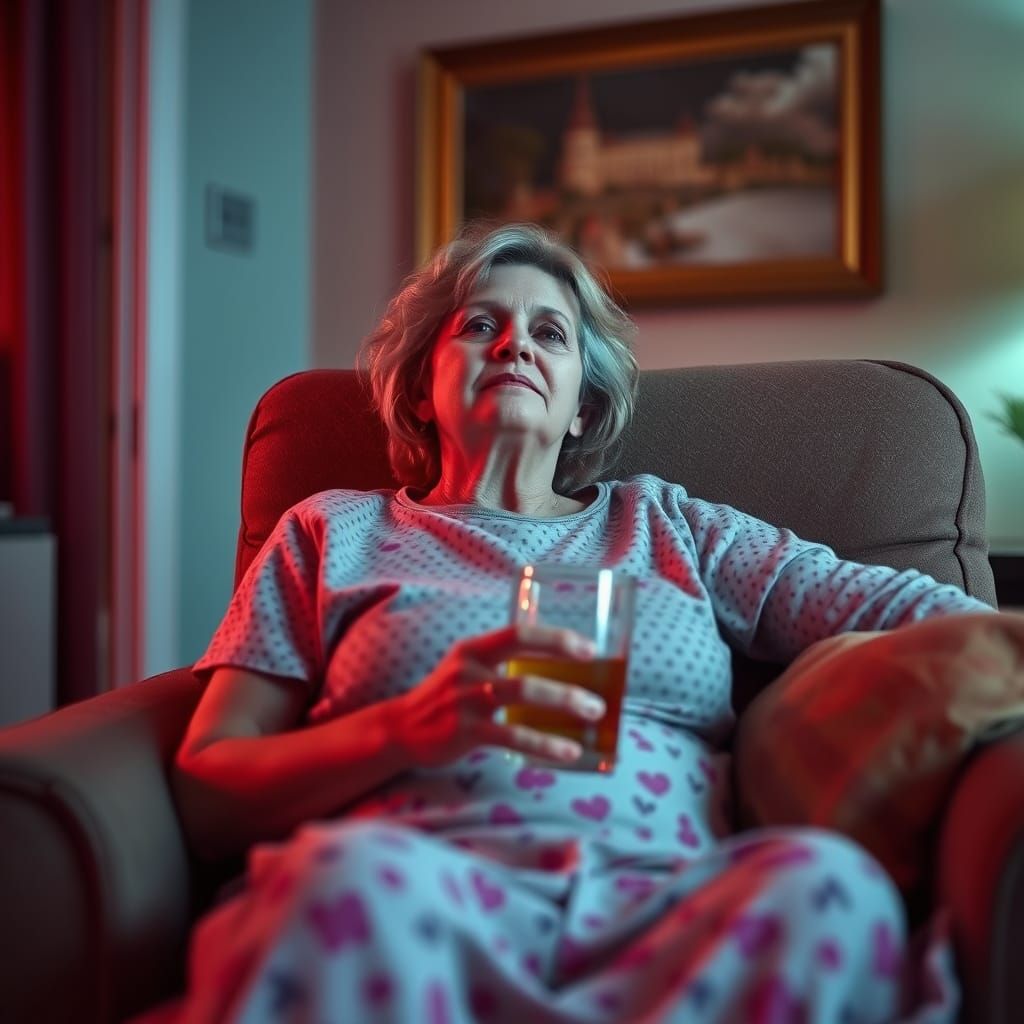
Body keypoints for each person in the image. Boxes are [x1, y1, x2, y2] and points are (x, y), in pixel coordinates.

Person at [172, 222, 991, 1024]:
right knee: (341, 886)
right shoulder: (332, 530)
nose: (514, 346)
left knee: (829, 888)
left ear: (579, 408)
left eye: (549, 333)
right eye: (480, 326)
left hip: (668, 904)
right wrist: (403, 731)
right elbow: (208, 790)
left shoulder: (670, 526)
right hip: (416, 890)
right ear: (422, 389)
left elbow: (894, 607)